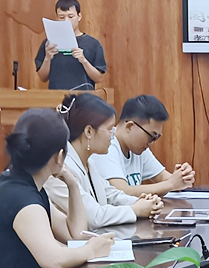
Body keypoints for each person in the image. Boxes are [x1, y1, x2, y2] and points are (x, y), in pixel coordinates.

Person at [0, 108, 115, 268]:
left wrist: (73, 184)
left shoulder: (23, 185)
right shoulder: (21, 199)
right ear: (60, 157)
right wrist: (92, 250)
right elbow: (54, 260)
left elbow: (75, 234)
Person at [45, 94, 163, 229]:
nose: (112, 135)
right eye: (109, 129)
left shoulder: (89, 163)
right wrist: (135, 209)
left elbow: (110, 194)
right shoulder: (60, 167)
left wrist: (143, 202)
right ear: (89, 131)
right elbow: (94, 216)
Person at [92, 95, 196, 197]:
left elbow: (163, 178)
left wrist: (182, 177)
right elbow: (121, 192)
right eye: (151, 136)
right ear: (130, 126)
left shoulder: (137, 148)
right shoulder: (106, 145)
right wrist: (171, 184)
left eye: (156, 138)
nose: (152, 143)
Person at [35, 0, 106, 90]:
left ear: (79, 16)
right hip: (56, 96)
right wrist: (47, 58)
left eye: (70, 16)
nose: (66, 21)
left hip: (83, 96)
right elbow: (43, 78)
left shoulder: (93, 44)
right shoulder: (49, 43)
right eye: (61, 17)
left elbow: (99, 78)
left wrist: (83, 60)